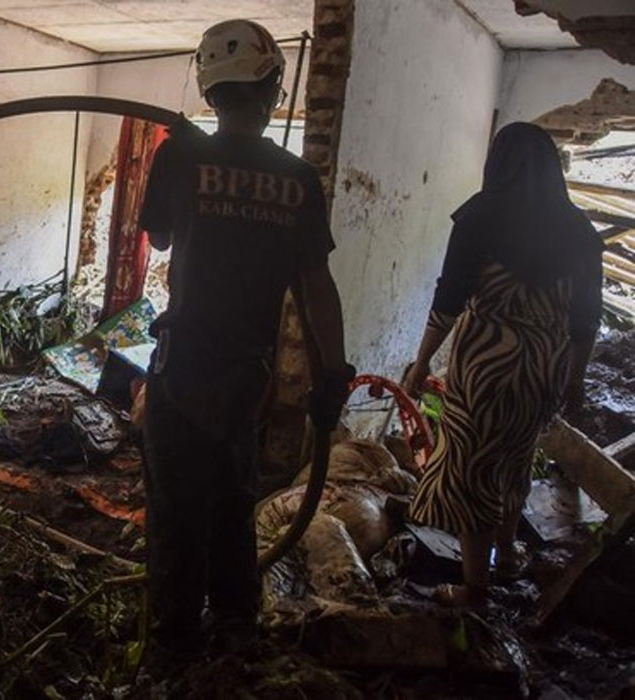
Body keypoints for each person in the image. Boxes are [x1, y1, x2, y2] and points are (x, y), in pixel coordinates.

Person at [137, 20, 352, 671]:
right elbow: (317, 286)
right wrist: (333, 374)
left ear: (211, 87)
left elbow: (162, 238)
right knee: (235, 499)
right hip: (246, 377)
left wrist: (194, 165)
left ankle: (171, 649)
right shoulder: (298, 179)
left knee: (175, 511)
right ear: (271, 87)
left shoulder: (178, 155)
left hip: (183, 366)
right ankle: (236, 629)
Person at [402, 122, 603, 608]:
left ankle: (474, 589)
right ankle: (507, 557)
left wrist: (421, 359)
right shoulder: (579, 231)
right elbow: (586, 319)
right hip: (544, 366)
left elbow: (448, 300)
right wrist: (573, 379)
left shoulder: (480, 215)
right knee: (516, 458)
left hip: (485, 365)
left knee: (474, 470)